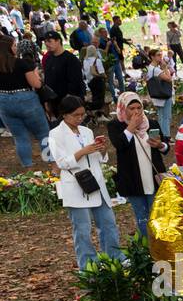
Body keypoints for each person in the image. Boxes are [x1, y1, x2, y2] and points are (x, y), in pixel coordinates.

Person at [50, 95, 123, 269]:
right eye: (76, 115)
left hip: (95, 182)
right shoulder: (55, 134)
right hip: (75, 185)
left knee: (108, 224)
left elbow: (98, 159)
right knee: (82, 230)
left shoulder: (87, 131)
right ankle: (89, 266)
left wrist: (101, 150)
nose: (80, 118)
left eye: (82, 114)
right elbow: (61, 163)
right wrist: (82, 151)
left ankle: (114, 258)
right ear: (64, 115)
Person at [106, 91, 168, 233]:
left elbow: (165, 148)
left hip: (154, 177)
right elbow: (119, 144)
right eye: (131, 108)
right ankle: (147, 248)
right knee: (142, 216)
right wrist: (131, 127)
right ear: (123, 108)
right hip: (133, 179)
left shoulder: (151, 123)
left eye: (138, 108)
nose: (136, 111)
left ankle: (159, 247)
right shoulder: (116, 126)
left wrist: (160, 145)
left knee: (157, 215)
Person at [0, 34, 50, 168]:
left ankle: (27, 165)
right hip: (26, 100)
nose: (16, 48)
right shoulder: (22, 63)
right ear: (8, 48)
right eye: (14, 45)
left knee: (19, 136)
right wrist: (37, 75)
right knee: (43, 133)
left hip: (4, 101)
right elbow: (37, 84)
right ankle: (50, 160)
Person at [41, 31, 84, 117]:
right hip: (54, 102)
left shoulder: (70, 59)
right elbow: (47, 80)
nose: (46, 44)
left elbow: (75, 82)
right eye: (45, 42)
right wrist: (47, 100)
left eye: (49, 41)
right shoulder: (48, 59)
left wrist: (67, 102)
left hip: (70, 103)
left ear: (58, 41)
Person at [143, 48, 174, 138]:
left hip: (157, 95)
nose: (161, 57)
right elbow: (169, 79)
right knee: (166, 116)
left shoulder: (150, 68)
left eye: (161, 55)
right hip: (164, 95)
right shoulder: (156, 70)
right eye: (158, 55)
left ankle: (162, 135)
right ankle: (166, 136)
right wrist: (165, 68)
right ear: (152, 57)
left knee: (161, 116)